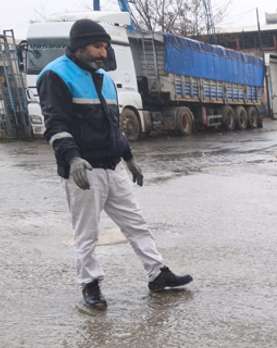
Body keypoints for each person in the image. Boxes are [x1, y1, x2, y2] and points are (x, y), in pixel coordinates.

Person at [37, 19, 192, 310]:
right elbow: (55, 124)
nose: (103, 53)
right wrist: (72, 159)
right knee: (87, 232)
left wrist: (128, 157)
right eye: (98, 47)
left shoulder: (105, 78)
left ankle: (157, 273)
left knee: (136, 224)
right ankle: (90, 285)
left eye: (106, 47)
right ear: (79, 46)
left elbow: (113, 125)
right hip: (83, 171)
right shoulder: (55, 75)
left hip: (112, 165)